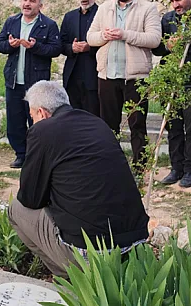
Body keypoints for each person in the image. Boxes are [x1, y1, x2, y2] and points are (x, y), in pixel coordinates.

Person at [9, 81, 149, 278]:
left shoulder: (43, 131)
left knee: (16, 209)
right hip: (135, 241)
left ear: (41, 112)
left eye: (32, 116)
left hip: (91, 251)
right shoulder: (96, 123)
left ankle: (70, 278)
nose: (32, 121)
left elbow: (30, 198)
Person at [87, 0, 161, 172]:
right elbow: (90, 37)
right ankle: (111, 165)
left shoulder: (147, 8)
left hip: (135, 77)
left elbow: (154, 39)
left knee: (137, 124)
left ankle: (140, 167)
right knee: (108, 125)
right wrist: (105, 35)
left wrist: (124, 34)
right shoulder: (104, 8)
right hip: (107, 75)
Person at [152, 0, 191, 188]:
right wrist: (167, 46)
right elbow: (156, 48)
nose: (176, 5)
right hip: (171, 80)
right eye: (172, 1)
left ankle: (190, 170)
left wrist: (188, 45)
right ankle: (176, 167)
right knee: (173, 125)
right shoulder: (168, 19)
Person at [0, 0, 62, 168]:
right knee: (15, 120)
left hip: (36, 83)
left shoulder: (48, 25)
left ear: (40, 5)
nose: (27, 4)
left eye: (32, 1)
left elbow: (55, 49)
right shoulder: (12, 21)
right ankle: (20, 154)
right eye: (24, 0)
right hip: (14, 80)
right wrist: (10, 45)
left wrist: (35, 46)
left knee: (37, 121)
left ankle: (38, 155)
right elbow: (0, 44)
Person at [60, 0, 100, 116]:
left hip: (94, 76)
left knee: (93, 116)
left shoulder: (102, 14)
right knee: (73, 118)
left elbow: (108, 42)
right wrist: (71, 48)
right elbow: (61, 45)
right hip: (72, 76)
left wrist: (90, 47)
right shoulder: (69, 17)